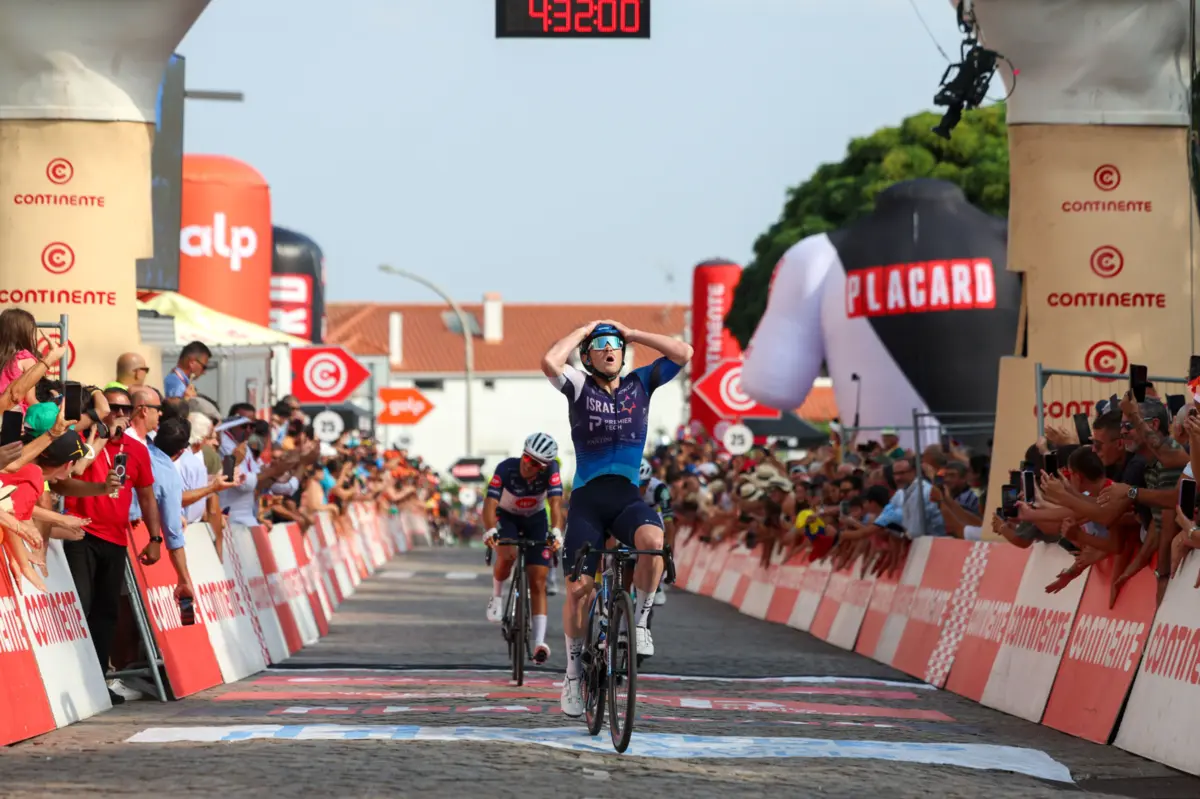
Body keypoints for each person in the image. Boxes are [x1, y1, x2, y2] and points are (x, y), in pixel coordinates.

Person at [541, 320, 692, 718]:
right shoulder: (577, 386)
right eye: (601, 345)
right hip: (588, 501)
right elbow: (549, 361)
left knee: (653, 540)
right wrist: (583, 330)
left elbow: (684, 353)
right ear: (589, 356)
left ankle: (639, 623)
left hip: (627, 496)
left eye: (615, 345)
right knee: (579, 591)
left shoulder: (641, 383)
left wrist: (633, 333)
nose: (610, 350)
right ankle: (573, 671)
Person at [62, 386, 162, 704]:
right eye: (113, 407)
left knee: (106, 613)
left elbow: (147, 496)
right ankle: (72, 678)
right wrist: (103, 434)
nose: (119, 414)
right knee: (82, 605)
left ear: (134, 413)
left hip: (116, 538)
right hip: (82, 534)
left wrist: (156, 538)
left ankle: (98, 679)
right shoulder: (86, 440)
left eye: (125, 409)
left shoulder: (137, 449)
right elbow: (64, 479)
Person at [482, 432, 565, 663]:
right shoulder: (505, 468)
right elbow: (490, 503)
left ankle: (539, 641)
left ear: (545, 466)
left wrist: (557, 530)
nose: (530, 466)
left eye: (537, 464)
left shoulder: (551, 471)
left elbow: (556, 503)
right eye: (527, 459)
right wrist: (490, 529)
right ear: (523, 454)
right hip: (507, 517)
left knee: (538, 579)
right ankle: (497, 597)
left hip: (536, 519)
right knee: (507, 555)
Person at [639, 458, 674, 606]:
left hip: (653, 515)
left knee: (662, 543)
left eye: (643, 484)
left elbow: (669, 523)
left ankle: (657, 583)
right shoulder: (621, 486)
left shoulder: (660, 489)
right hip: (631, 513)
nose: (639, 489)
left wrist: (669, 553)